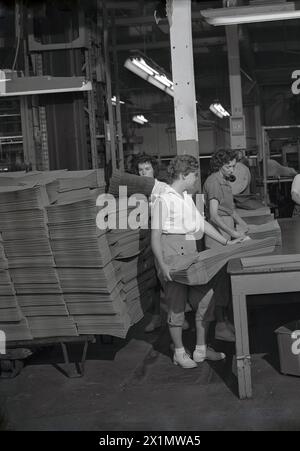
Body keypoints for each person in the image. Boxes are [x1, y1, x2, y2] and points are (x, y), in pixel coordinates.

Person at [151, 155, 244, 369]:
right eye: (193, 175)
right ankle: (179, 352)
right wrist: (163, 265)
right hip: (171, 253)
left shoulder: (185, 197)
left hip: (191, 251)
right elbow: (155, 236)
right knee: (176, 305)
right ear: (183, 175)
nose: (195, 180)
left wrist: (226, 241)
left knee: (205, 298)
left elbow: (201, 223)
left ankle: (201, 350)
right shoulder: (163, 199)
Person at [135, 154, 190, 333]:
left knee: (169, 281)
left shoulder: (162, 189)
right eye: (140, 170)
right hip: (142, 239)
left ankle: (178, 317)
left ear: (154, 170)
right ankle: (157, 317)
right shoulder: (136, 190)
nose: (144, 173)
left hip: (162, 239)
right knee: (152, 282)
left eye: (147, 169)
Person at [203, 148, 250, 342]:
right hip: (218, 237)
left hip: (227, 233)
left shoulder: (224, 181)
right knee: (221, 282)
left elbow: (229, 209)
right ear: (219, 166)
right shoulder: (214, 182)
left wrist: (244, 224)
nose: (232, 169)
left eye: (234, 166)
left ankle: (225, 321)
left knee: (227, 280)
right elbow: (214, 215)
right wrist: (232, 235)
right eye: (229, 166)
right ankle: (220, 326)